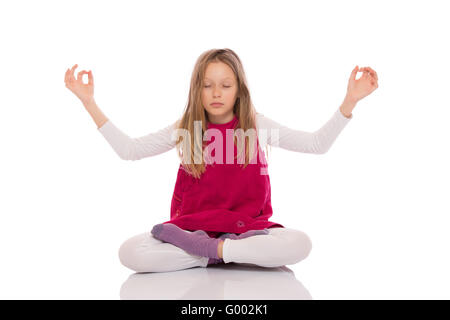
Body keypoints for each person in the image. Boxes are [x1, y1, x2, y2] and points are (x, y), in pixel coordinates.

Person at [64, 48, 378, 273]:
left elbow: (316, 144)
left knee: (300, 244)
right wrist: (89, 103)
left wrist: (350, 101)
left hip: (247, 230)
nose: (217, 93)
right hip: (192, 231)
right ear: (196, 90)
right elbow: (129, 150)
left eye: (226, 85)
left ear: (239, 89)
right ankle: (221, 255)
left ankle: (216, 253)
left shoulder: (258, 126)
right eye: (207, 85)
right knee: (130, 253)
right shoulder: (186, 128)